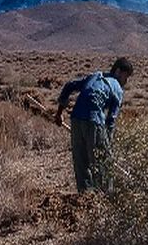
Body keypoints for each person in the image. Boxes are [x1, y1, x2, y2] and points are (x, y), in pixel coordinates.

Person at [55, 57, 134, 192]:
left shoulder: (95, 76)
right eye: (126, 77)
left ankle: (84, 199)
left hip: (76, 119)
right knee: (104, 164)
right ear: (118, 71)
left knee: (81, 163)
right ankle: (104, 200)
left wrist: (59, 113)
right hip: (94, 120)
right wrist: (108, 145)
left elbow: (69, 86)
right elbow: (111, 120)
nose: (125, 82)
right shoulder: (117, 88)